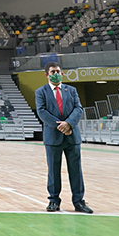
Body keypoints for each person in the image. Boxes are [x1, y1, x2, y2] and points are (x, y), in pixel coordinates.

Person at [34, 62, 93, 214]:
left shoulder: (71, 90)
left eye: (58, 71)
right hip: (53, 137)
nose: (56, 74)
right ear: (47, 74)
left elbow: (78, 108)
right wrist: (61, 125)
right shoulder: (41, 92)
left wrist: (69, 124)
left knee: (76, 171)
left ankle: (79, 202)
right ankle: (54, 201)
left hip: (72, 136)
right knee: (53, 170)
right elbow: (41, 111)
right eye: (53, 71)